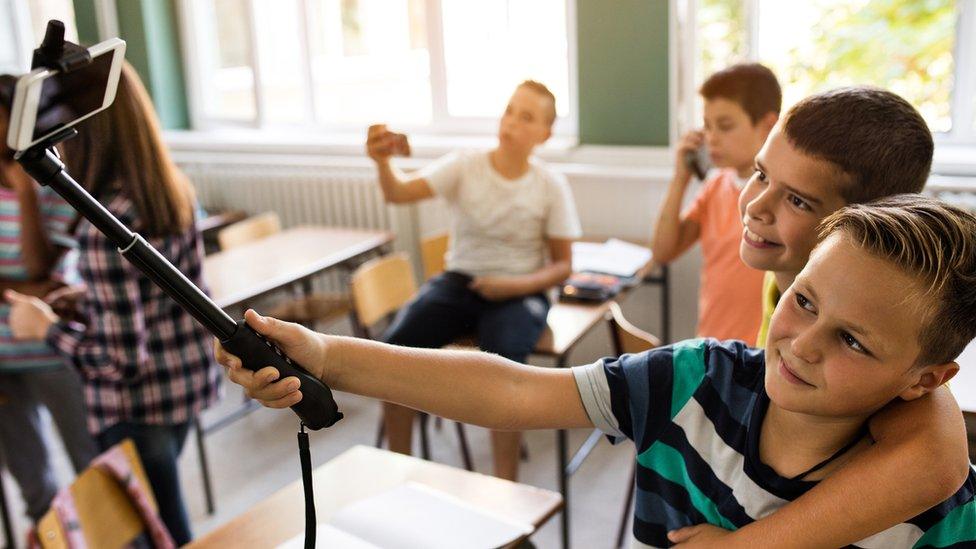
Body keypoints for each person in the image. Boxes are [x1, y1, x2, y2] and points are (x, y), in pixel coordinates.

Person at [217, 195, 976, 547]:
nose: (804, 343)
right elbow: (511, 388)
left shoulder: (934, 514)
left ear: (925, 379)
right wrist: (332, 357)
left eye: (854, 342)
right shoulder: (695, 378)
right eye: (803, 301)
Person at [5, 63, 221, 545]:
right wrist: (90, 297)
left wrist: (42, 328)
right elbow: (162, 290)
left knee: (156, 530)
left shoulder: (109, 229)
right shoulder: (169, 190)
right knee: (162, 514)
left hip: (136, 406)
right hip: (181, 386)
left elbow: (118, 361)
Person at [365, 80, 581, 481]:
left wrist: (509, 286)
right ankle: (398, 474)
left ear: (545, 134)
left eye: (527, 117)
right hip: (460, 282)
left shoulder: (550, 184)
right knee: (391, 356)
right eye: (510, 110)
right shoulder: (465, 164)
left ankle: (506, 493)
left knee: (504, 376)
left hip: (520, 291)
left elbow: (562, 266)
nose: (512, 122)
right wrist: (381, 162)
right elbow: (398, 193)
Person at [0, 74, 97, 524]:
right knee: (34, 487)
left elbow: (47, 275)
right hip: (2, 363)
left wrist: (23, 191)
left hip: (54, 348)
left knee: (93, 472)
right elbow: (34, 283)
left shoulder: (53, 181)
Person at [651, 63, 780, 342]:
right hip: (712, 346)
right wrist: (680, 179)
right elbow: (663, 251)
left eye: (725, 126)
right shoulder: (715, 186)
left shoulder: (782, 195)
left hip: (759, 352)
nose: (711, 138)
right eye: (707, 127)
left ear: (767, 125)